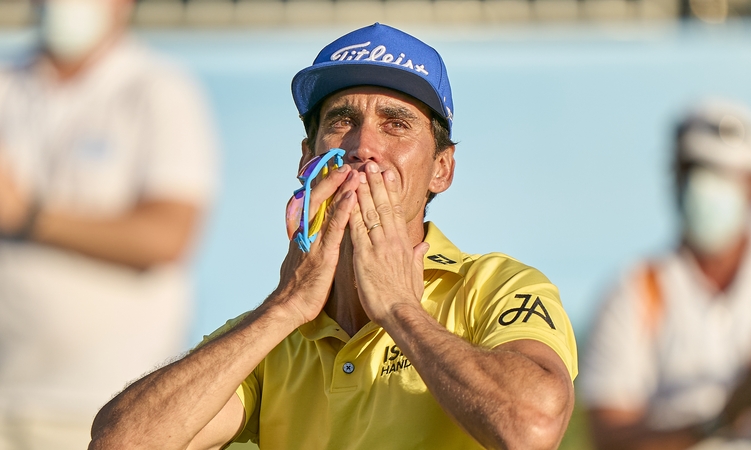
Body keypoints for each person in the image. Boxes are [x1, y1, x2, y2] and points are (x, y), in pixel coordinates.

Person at [88, 23, 578, 450]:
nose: (364, 146)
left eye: (396, 124)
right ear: (308, 159)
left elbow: (531, 429)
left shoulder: (498, 285)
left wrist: (399, 310)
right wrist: (283, 308)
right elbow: (123, 442)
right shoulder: (280, 324)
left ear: (442, 169)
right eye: (342, 121)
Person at [0, 0, 217, 448]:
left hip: (104, 410)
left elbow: (165, 237)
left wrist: (29, 218)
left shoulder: (159, 90)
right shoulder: (6, 84)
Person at [580, 101, 751, 449]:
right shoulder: (632, 291)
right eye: (691, 171)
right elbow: (608, 437)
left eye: (719, 173)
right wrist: (718, 423)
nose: (701, 186)